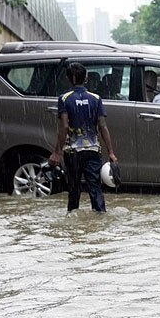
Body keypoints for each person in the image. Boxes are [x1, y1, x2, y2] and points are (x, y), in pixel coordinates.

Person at [51, 62, 117, 213]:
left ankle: (73, 220)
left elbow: (64, 127)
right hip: (93, 150)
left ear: (68, 80)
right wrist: (111, 152)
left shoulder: (64, 99)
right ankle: (100, 218)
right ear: (86, 79)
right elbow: (103, 127)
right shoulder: (96, 98)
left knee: (74, 189)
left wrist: (56, 152)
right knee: (95, 188)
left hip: (72, 152)